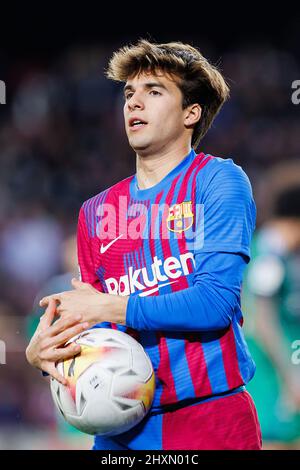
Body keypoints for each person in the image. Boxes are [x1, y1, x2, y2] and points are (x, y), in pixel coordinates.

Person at [26, 39, 261, 450]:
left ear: (191, 113)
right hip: (120, 428)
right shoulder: (95, 211)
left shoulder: (218, 182)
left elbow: (214, 303)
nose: (134, 103)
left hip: (209, 418)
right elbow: (94, 328)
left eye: (154, 92)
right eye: (129, 94)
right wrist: (45, 353)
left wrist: (111, 306)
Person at [243, 172, 300, 448]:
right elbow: (262, 322)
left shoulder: (269, 250)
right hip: (269, 374)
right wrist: (291, 376)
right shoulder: (270, 255)